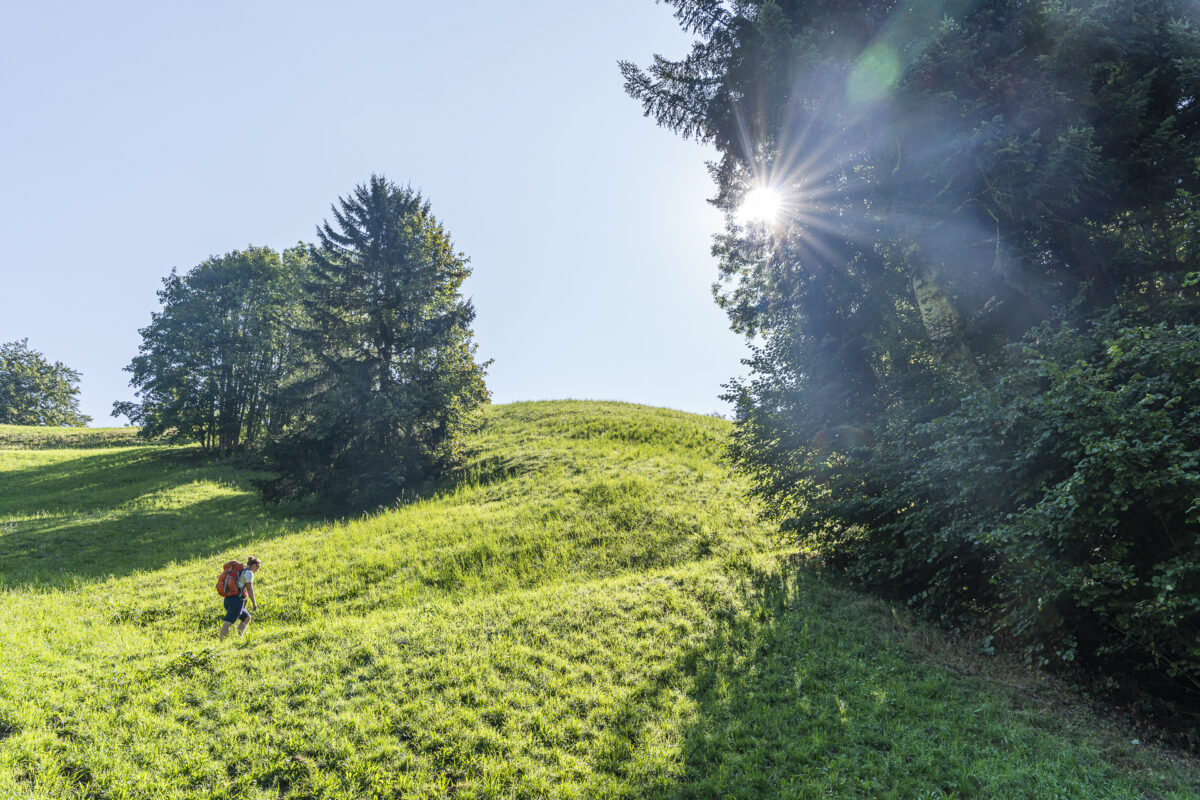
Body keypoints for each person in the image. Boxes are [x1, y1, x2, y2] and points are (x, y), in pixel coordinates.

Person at [219, 556, 261, 641]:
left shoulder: (243, 571)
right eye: (257, 566)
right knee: (227, 623)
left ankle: (239, 638)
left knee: (247, 617)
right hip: (236, 601)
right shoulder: (249, 573)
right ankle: (221, 643)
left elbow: (241, 588)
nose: (257, 569)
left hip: (229, 600)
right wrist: (254, 603)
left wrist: (244, 605)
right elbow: (249, 588)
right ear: (253, 565)